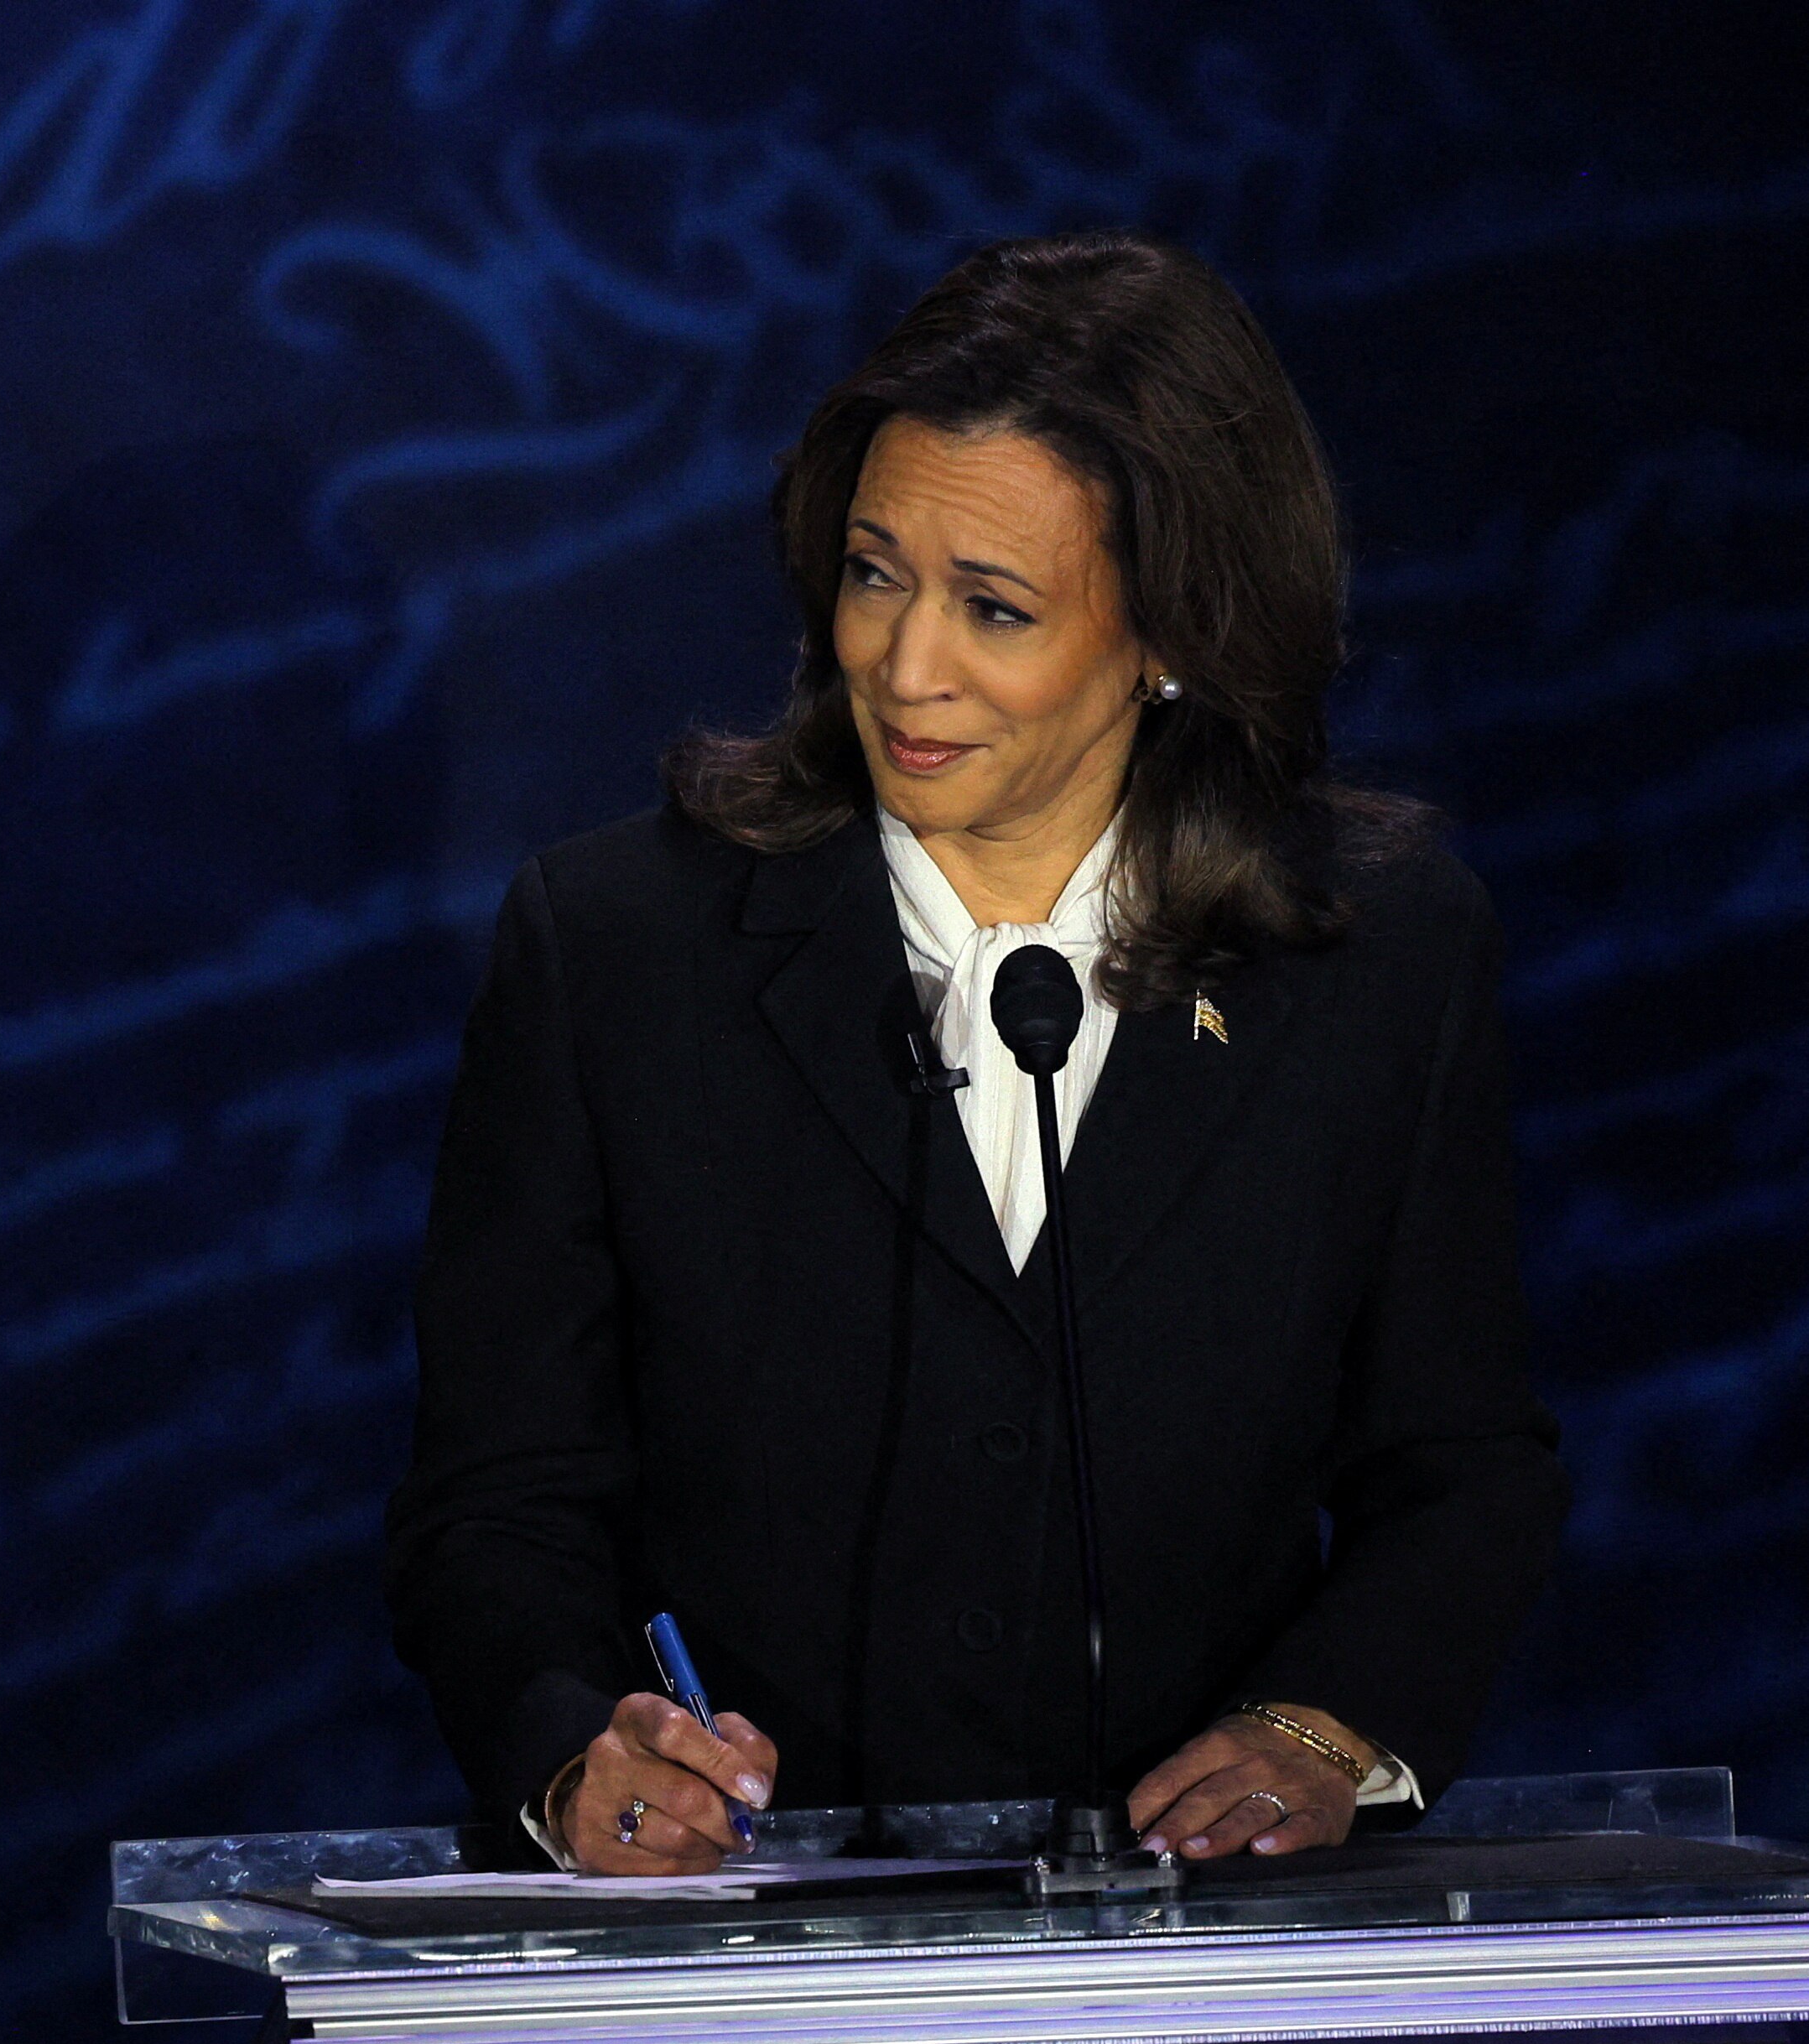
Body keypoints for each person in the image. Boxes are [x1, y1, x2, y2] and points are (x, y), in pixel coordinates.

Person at [383, 231, 1569, 1875]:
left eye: (990, 607)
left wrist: (1316, 1726)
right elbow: (496, 1496)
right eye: (874, 574)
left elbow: (1455, 1464)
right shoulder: (615, 947)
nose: (903, 663)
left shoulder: (1373, 952)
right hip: (734, 1959)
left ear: (1172, 632)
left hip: (1202, 1980)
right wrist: (574, 1742)